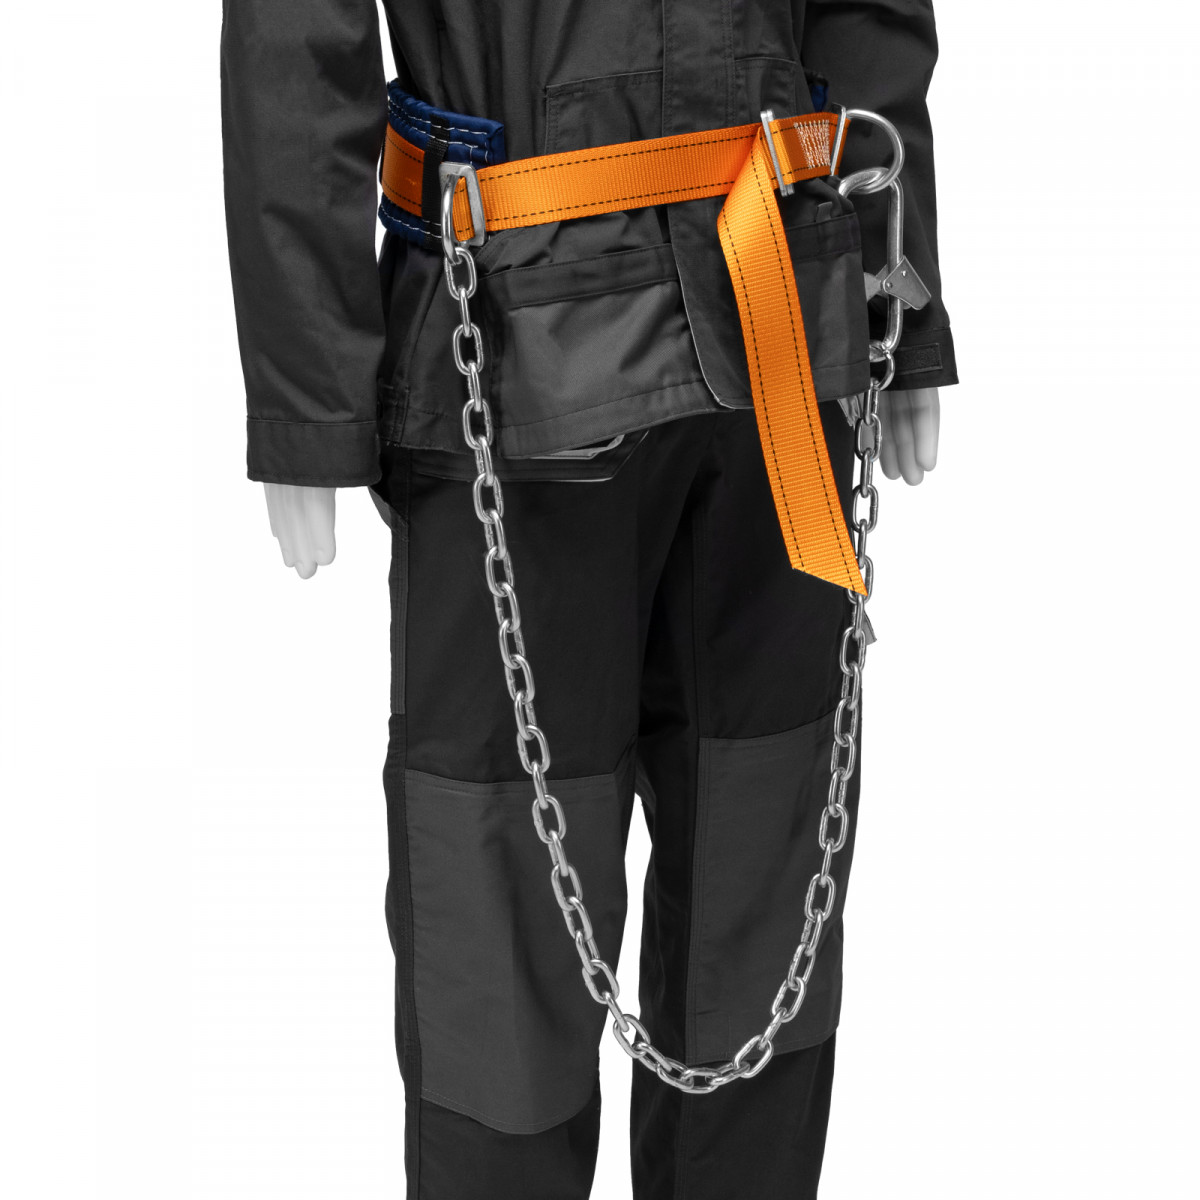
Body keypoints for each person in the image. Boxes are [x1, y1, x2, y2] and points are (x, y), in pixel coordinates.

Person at [221, 2, 955, 1196]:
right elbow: (294, 36)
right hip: (517, 359)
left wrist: (898, 302)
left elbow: (867, 15)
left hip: (780, 342)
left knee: (766, 896)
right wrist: (311, 398)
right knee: (501, 932)